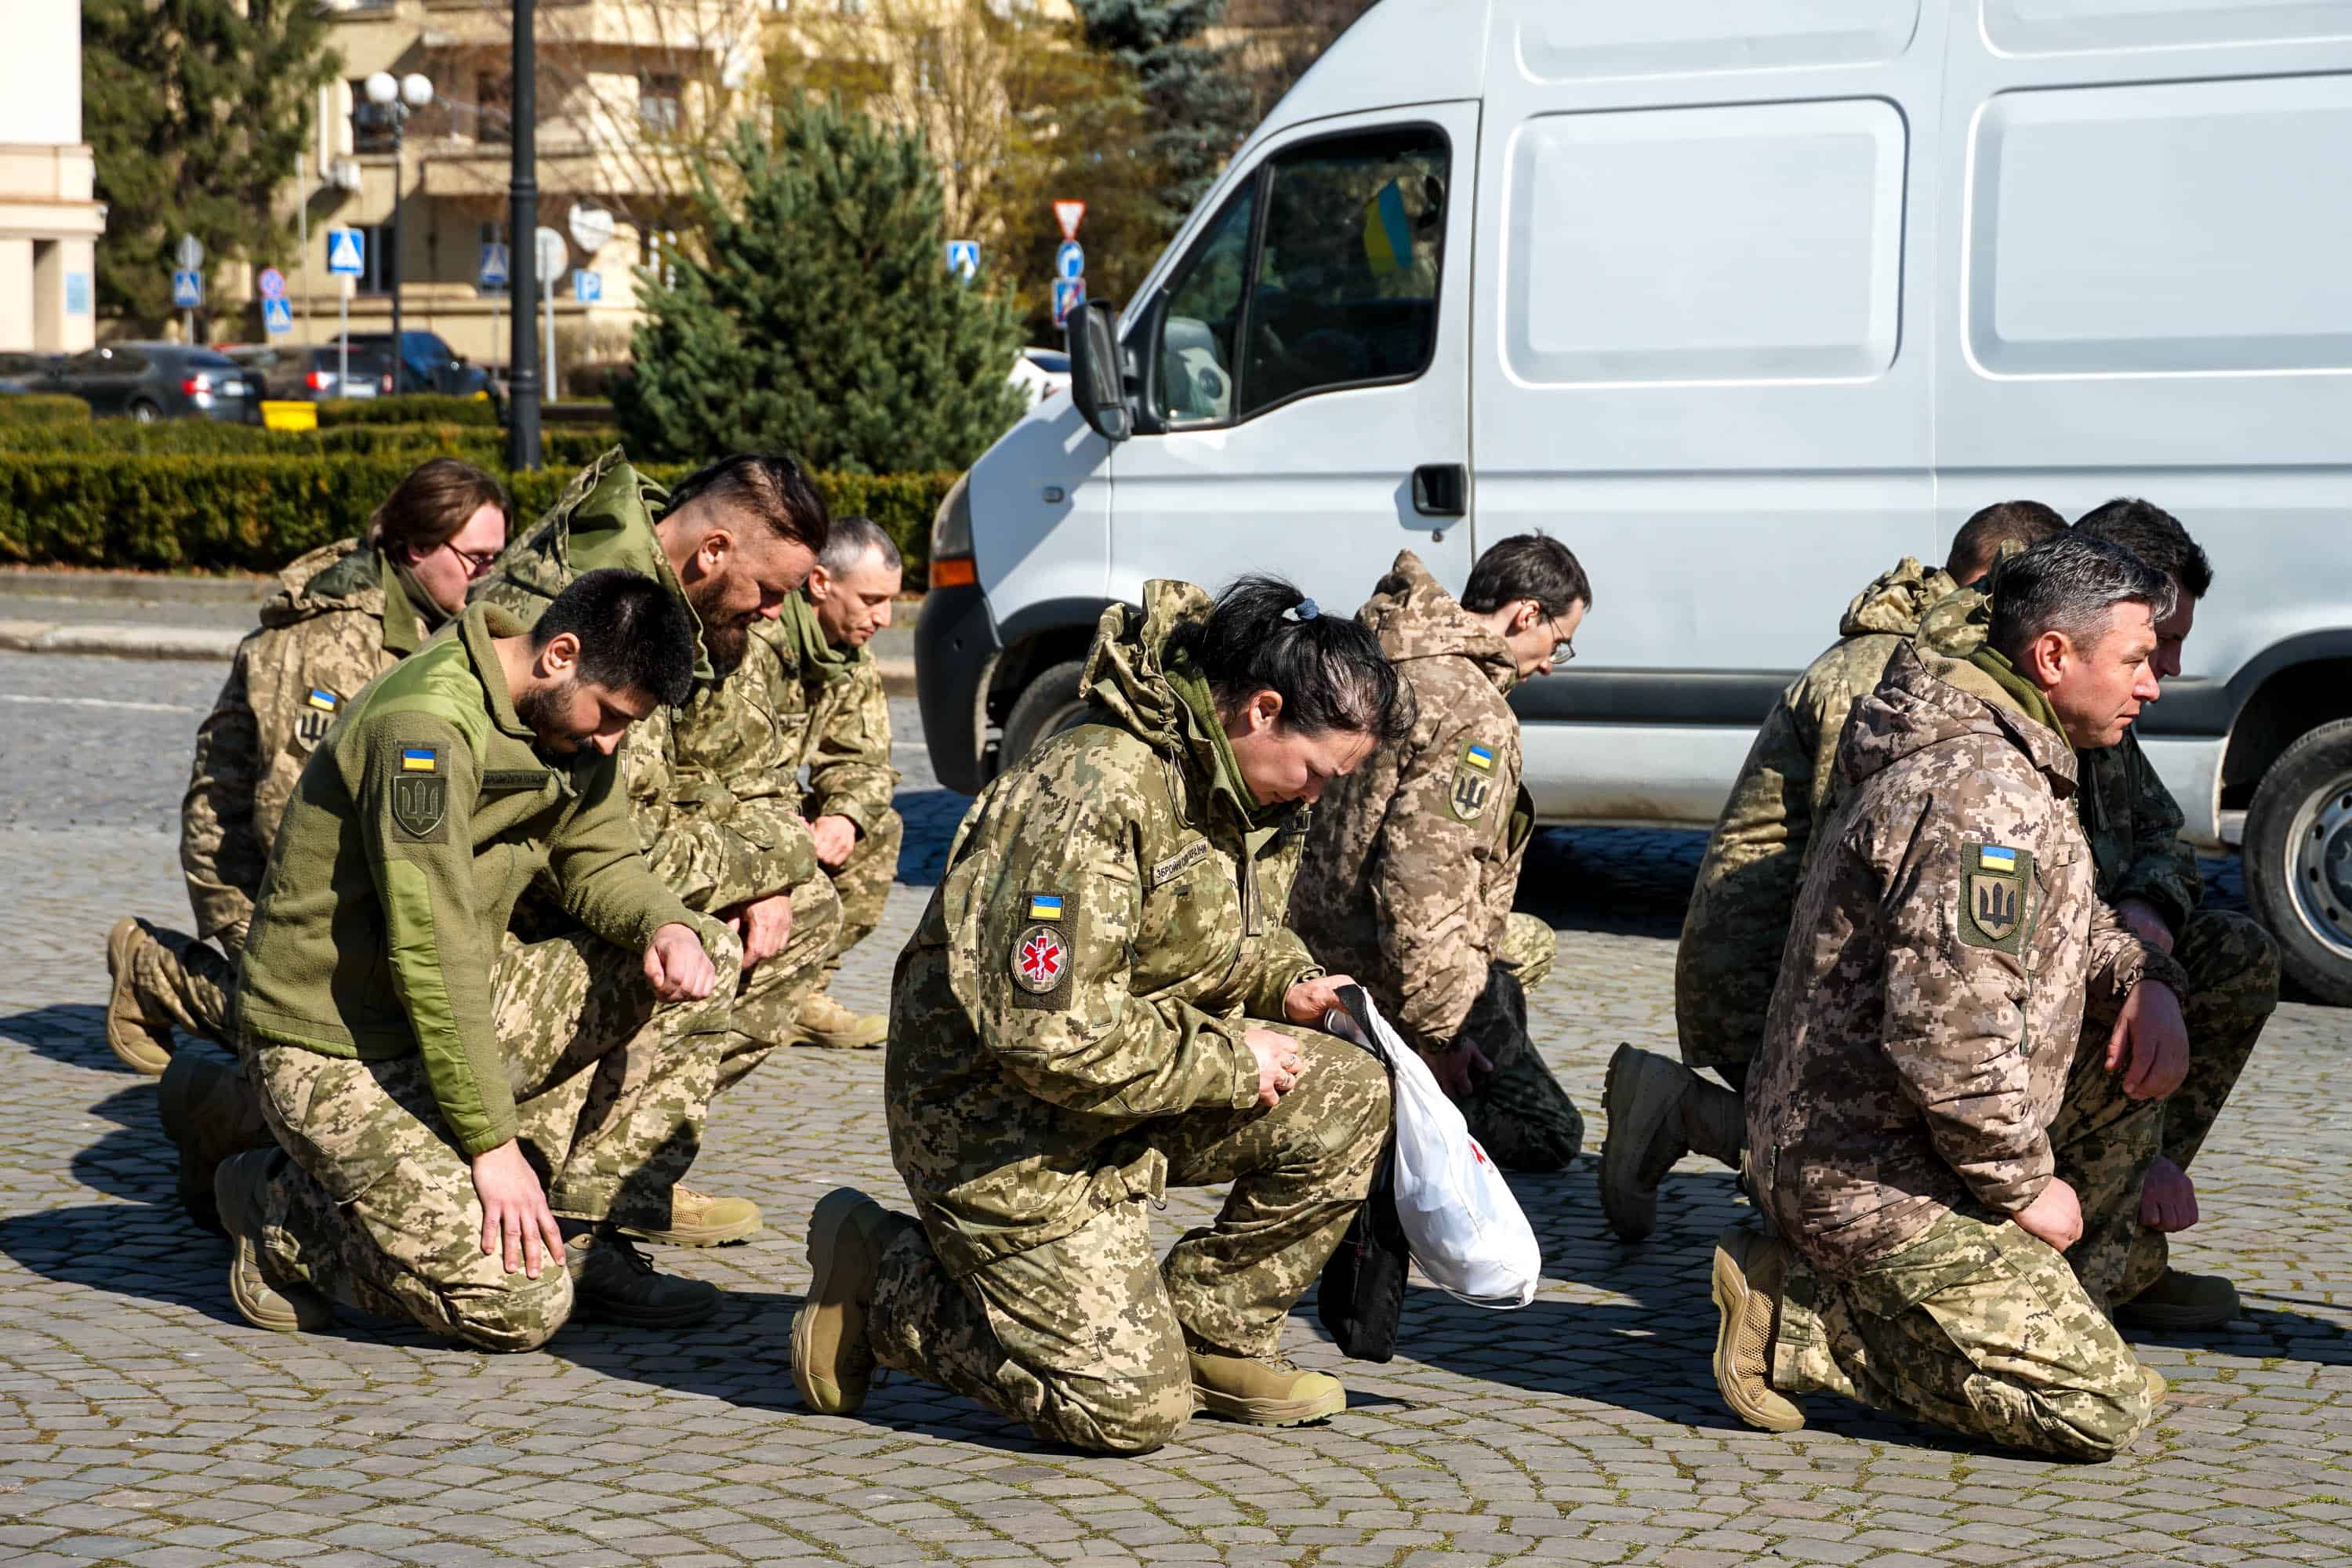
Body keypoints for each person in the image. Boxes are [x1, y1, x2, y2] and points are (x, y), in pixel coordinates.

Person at [791, 577, 1410, 1454]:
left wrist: (1291, 983)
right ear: (1263, 710)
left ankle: (1212, 1330)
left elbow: (1216, 937)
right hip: (998, 1122)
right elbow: (1046, 1035)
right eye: (1315, 772)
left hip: (1128, 1087)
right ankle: (884, 1279)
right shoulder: (1093, 790)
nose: (1315, 797)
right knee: (1127, 1408)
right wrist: (1236, 1057)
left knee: (1352, 1093)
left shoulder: (1237, 783)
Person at [1712, 533, 2192, 1460]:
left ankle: (2027, 1318)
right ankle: (1797, 1318)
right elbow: (1951, 1038)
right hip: (1867, 1170)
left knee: (2130, 1066)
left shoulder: (2020, 756)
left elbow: (2071, 926)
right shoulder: (1981, 791)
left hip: (1914, 1139)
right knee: (2100, 1408)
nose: (2151, 685)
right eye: (2135, 659)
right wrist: (2023, 1186)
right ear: (2054, 657)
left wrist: (2145, 979)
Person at [216, 569, 740, 1348]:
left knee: (707, 949)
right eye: (610, 717)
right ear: (559, 653)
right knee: (520, 1307)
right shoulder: (423, 728)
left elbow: (601, 863)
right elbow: (435, 949)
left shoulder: (571, 720)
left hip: (442, 1011)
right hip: (329, 1045)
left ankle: (580, 1224)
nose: (610, 742)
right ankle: (283, 1215)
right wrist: (494, 1148)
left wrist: (665, 923)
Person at [1601, 501, 2068, 1239]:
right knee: (1870, 1142)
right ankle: (1684, 1111)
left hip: (1798, 958)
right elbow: (1839, 865)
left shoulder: (1933, 658)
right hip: (1760, 971)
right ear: (1992, 586)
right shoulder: (1882, 670)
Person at [469, 448, 837, 1247]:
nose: (776, 612)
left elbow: (699, 774)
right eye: (769, 590)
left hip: (561, 899)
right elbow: (635, 851)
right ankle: (588, 1211)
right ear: (713, 553)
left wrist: (766, 869)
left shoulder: (673, 595)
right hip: (491, 936)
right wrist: (784, 851)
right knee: (701, 943)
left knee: (798, 914)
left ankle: (594, 1160)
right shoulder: (609, 618)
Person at [105, 459, 510, 1074]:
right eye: (477, 559)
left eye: (495, 560)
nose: (487, 578)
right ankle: (156, 970)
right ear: (418, 546)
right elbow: (285, 809)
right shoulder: (333, 645)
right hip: (252, 865)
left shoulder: (427, 613)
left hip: (342, 851)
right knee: (320, 1033)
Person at [2002, 499, 2275, 1327]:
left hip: (2077, 966)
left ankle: (2118, 1234)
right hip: (1970, 1027)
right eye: (2158, 644)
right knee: (2120, 1006)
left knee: (2231, 953)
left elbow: (2163, 839)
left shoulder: (2107, 718)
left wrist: (2147, 926)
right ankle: (2069, 1270)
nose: (2169, 673)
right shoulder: (2000, 727)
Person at [1291, 536, 1591, 1170]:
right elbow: (1420, 888)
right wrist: (1439, 1040)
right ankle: (1379, 1101)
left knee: (1523, 944)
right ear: (1526, 614)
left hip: (1312, 937)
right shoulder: (1470, 710)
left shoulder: (1382, 649)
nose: (1549, 665)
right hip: (1372, 967)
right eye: (1559, 642)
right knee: (1549, 1131)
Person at [726, 514, 906, 1058]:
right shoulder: (756, 639)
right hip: (730, 816)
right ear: (822, 584)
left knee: (879, 830)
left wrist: (844, 816)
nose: (886, 617)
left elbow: (866, 760)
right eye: (872, 599)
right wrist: (787, 832)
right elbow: (728, 773)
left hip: (776, 813)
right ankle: (731, 1000)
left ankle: (802, 991)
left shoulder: (847, 656)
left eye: (890, 601)